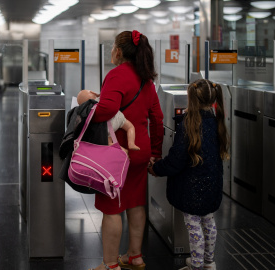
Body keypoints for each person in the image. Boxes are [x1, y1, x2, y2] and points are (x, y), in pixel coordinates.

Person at [88, 30, 163, 270]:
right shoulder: (146, 79)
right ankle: (134, 256)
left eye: (112, 47)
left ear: (118, 51)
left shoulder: (117, 75)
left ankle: (110, 264)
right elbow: (157, 119)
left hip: (116, 155)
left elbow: (105, 110)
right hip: (141, 152)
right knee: (135, 203)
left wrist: (89, 104)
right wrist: (156, 154)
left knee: (112, 209)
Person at [149, 79, 230, 270]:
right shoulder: (217, 121)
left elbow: (177, 160)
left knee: (194, 227)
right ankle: (209, 263)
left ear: (191, 99)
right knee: (209, 223)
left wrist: (156, 168)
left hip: (190, 188)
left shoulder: (188, 125)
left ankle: (195, 265)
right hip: (212, 185)